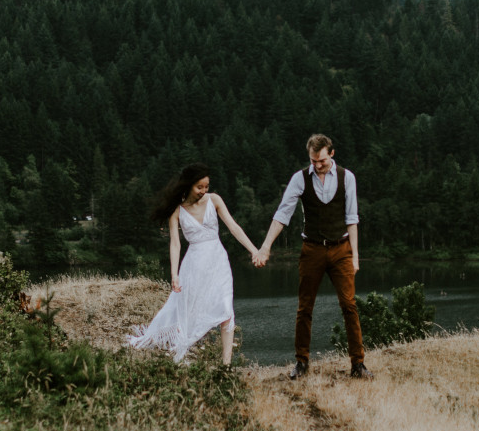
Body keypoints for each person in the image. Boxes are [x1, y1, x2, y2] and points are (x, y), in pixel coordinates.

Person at [252, 134, 369, 380]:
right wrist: (265, 247)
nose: (317, 165)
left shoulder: (347, 177)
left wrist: (355, 256)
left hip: (341, 249)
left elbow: (352, 219)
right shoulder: (300, 178)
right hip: (312, 249)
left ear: (332, 154)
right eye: (313, 160)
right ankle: (302, 362)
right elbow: (282, 214)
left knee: (349, 305)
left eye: (322, 160)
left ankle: (358, 364)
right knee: (305, 307)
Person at [126, 163, 260, 365]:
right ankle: (184, 353)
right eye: (199, 187)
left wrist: (253, 250)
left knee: (225, 310)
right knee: (190, 312)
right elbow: (175, 243)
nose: (203, 191)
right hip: (194, 265)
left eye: (206, 186)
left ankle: (226, 365)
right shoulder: (177, 211)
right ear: (188, 185)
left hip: (218, 262)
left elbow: (233, 227)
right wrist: (174, 274)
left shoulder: (214, 200)